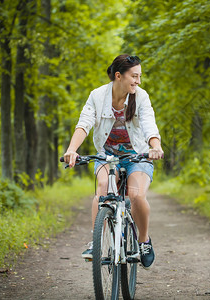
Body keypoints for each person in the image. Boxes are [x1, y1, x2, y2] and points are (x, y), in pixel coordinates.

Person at [63, 54, 164, 269]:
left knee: (136, 195)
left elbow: (149, 124)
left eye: (140, 76)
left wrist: (155, 147)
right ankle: (96, 242)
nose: (138, 81)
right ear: (118, 76)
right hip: (108, 157)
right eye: (134, 76)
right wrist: (72, 150)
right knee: (102, 187)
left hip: (137, 156)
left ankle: (144, 240)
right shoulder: (97, 96)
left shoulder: (141, 97)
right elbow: (84, 124)